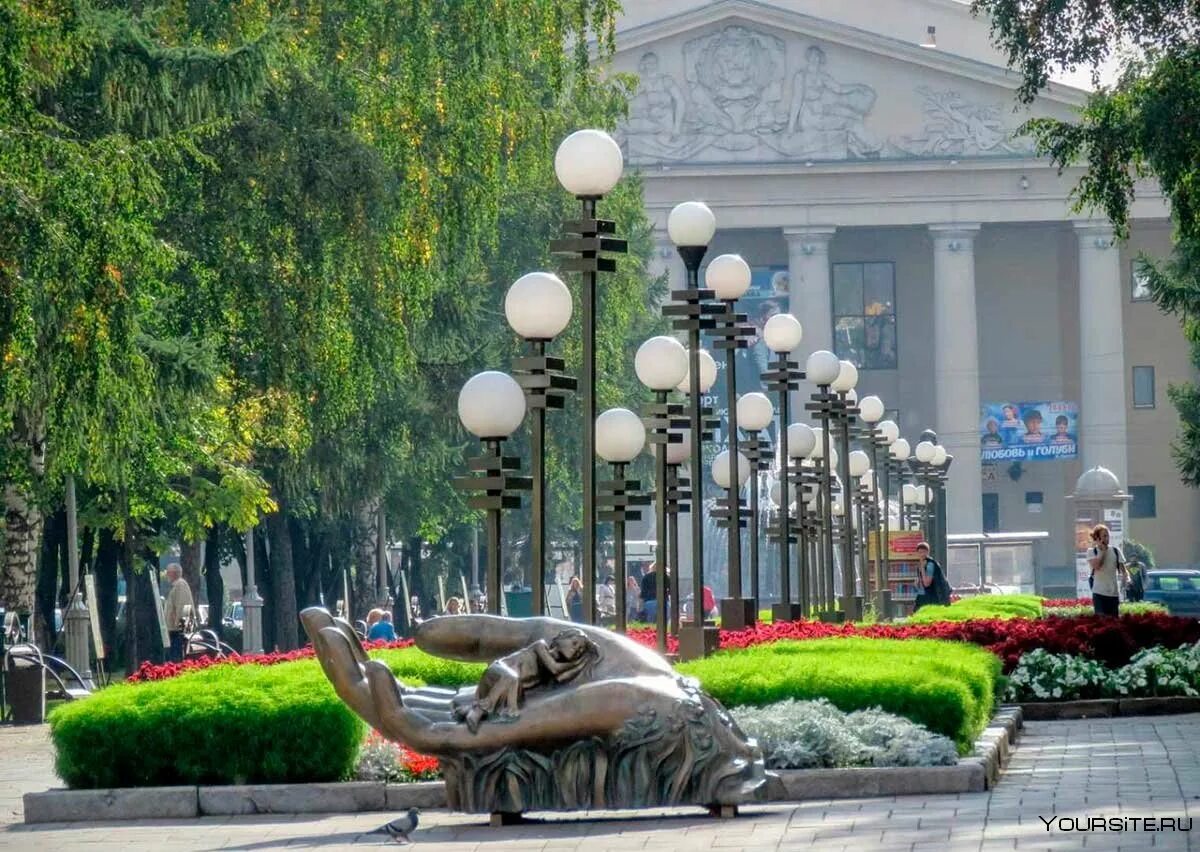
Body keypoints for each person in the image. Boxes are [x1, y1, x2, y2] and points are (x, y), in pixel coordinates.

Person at [452, 628, 598, 733]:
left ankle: (475, 712)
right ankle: (477, 710)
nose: (576, 650)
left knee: (513, 687)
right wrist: (576, 664)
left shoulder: (550, 674)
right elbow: (555, 669)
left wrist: (582, 662)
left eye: (579, 651)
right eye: (574, 643)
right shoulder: (540, 646)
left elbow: (561, 676)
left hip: (512, 690)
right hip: (496, 673)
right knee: (512, 677)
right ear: (561, 637)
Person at [1087, 524, 1127, 616]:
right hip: (1099, 593)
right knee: (1101, 622)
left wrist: (1126, 580)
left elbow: (1124, 571)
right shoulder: (1092, 551)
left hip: (1113, 594)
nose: (1107, 538)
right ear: (1097, 538)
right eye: (1104, 536)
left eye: (1108, 535)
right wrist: (1103, 552)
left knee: (1113, 623)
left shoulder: (1116, 551)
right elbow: (1097, 566)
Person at [162, 564, 194, 662]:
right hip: (175, 630)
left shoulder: (180, 585)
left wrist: (179, 628)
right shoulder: (177, 585)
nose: (166, 574)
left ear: (174, 573)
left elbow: (183, 607)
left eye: (168, 572)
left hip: (177, 631)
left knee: (176, 659)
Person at [912, 542, 950, 610]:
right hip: (923, 594)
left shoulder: (930, 565)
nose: (922, 554)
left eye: (924, 552)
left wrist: (922, 568)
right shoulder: (921, 563)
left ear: (927, 552)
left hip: (932, 596)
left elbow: (927, 583)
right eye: (920, 552)